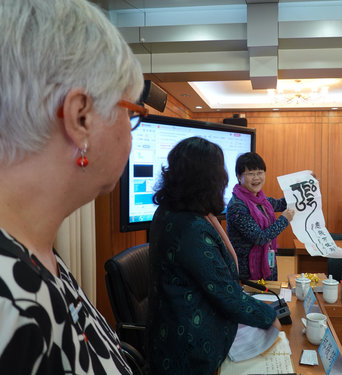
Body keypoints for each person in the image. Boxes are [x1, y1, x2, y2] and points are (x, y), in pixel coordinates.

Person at [0, 0, 146, 373]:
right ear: (81, 116)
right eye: (130, 112)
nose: (130, 133)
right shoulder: (11, 307)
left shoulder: (37, 250)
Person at [147, 137, 281, 374]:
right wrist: (268, 316)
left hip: (173, 328)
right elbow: (223, 291)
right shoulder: (191, 227)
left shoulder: (169, 210)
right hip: (189, 345)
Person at [226, 152, 295, 281]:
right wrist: (284, 220)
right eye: (250, 174)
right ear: (239, 177)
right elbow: (260, 238)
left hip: (268, 263)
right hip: (247, 272)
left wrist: (304, 185)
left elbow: (281, 204)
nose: (256, 178)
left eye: (260, 172)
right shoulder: (237, 206)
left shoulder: (260, 199)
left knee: (270, 298)